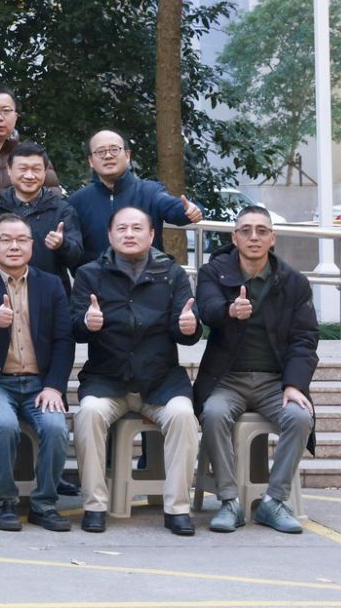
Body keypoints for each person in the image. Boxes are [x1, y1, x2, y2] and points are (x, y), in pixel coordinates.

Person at [69, 206, 202, 535]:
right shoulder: (89, 274)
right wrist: (87, 323)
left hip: (161, 383)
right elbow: (74, 328)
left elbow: (186, 329)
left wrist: (189, 327)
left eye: (137, 228)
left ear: (152, 235)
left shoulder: (171, 274)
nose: (129, 234)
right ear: (110, 235)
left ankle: (177, 509)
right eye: (122, 228)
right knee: (88, 413)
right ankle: (94, 506)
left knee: (184, 416)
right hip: (107, 381)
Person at [194, 205, 318, 534]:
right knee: (214, 413)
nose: (253, 237)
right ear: (235, 237)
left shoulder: (293, 282)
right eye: (246, 230)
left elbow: (305, 339)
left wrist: (294, 385)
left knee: (300, 417)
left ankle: (273, 501)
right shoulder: (214, 272)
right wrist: (229, 310)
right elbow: (206, 308)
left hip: (275, 382)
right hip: (227, 380)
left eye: (261, 231)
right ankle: (228, 502)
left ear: (272, 238)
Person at [0, 213, 73, 533]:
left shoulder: (51, 284)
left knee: (56, 427)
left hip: (39, 384)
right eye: (5, 240)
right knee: (4, 424)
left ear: (32, 245)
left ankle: (44, 504)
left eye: (21, 240)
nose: (14, 246)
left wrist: (54, 387)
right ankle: (3, 503)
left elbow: (64, 339)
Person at [0, 142, 86, 293]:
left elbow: (76, 258)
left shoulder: (62, 210)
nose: (29, 176)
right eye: (23, 169)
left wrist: (62, 244)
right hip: (3, 294)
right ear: (9, 169)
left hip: (51, 294)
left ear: (45, 171)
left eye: (36, 169)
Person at [68, 130, 204, 241]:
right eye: (100, 152)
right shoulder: (77, 201)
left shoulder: (150, 192)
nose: (108, 156)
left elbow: (173, 208)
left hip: (145, 267)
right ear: (91, 161)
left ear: (127, 155)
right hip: (95, 268)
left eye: (114, 150)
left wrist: (190, 211)